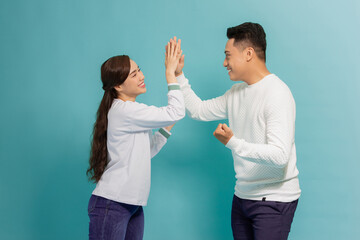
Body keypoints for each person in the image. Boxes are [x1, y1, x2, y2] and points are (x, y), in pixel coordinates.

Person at [171, 23, 301, 239]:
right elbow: (198, 110)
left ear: (248, 53)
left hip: (274, 200)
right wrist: (179, 75)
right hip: (242, 198)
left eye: (228, 55)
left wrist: (233, 142)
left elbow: (279, 156)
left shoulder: (277, 93)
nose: (224, 63)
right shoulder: (236, 93)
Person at [86, 38, 185, 240]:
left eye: (139, 69)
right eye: (134, 74)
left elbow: (147, 151)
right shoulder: (125, 111)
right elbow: (176, 111)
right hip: (112, 204)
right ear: (118, 87)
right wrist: (170, 73)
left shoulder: (130, 113)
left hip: (132, 204)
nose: (142, 76)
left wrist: (166, 127)